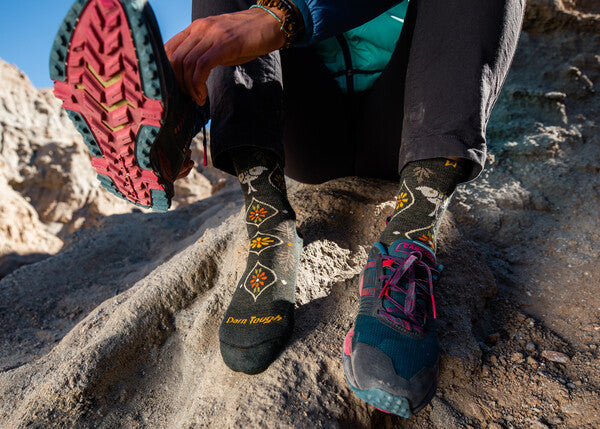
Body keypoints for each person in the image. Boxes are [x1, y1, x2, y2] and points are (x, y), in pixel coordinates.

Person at [51, 0, 525, 418]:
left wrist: (285, 15)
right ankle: (265, 221)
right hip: (309, 133)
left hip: (410, 120)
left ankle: (412, 235)